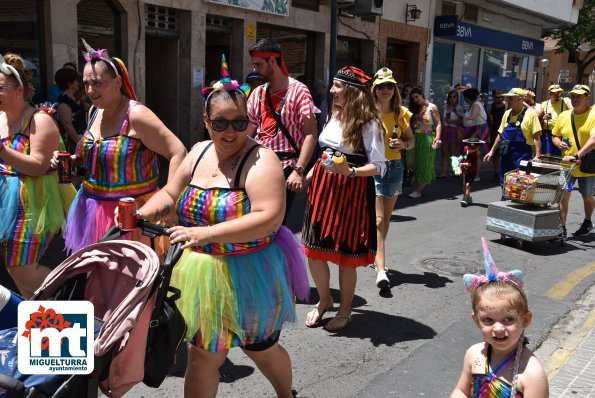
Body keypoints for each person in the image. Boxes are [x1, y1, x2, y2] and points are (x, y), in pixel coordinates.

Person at [133, 79, 309, 398]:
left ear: (249, 121)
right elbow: (172, 192)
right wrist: (143, 213)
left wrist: (206, 232)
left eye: (239, 123)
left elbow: (268, 217)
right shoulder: (198, 152)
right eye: (220, 123)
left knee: (261, 350)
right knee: (202, 356)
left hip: (251, 271)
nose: (230, 132)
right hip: (202, 274)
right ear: (206, 121)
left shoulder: (262, 160)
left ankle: (286, 395)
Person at [56, 39, 186, 254]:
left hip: (131, 217)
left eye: (97, 82)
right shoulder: (94, 111)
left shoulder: (136, 115)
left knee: (128, 283)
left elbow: (178, 151)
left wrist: (170, 201)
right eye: (86, 83)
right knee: (95, 280)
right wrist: (75, 161)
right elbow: (100, 157)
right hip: (90, 211)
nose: (90, 90)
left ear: (117, 81)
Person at [302, 66, 386, 332]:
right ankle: (324, 301)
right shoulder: (333, 115)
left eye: (338, 86)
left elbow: (379, 166)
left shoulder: (369, 123)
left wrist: (348, 171)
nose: (332, 90)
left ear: (352, 92)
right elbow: (326, 152)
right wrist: (309, 175)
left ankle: (346, 310)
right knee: (314, 250)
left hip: (351, 192)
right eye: (334, 85)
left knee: (345, 255)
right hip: (323, 190)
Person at [0, 53, 72, 298]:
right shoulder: (0, 119)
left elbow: (38, 166)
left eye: (0, 88)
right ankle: (42, 320)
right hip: (5, 200)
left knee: (20, 267)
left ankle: (71, 296)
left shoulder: (38, 120)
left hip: (35, 200)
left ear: (19, 90)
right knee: (14, 271)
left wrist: (1, 149)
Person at [450, 238, 548, 398]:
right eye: (488, 320)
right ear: (476, 320)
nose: (498, 328)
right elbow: (461, 390)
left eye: (508, 319)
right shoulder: (475, 355)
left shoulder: (531, 373)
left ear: (525, 320)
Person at [247, 38, 319, 223]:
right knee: (251, 221)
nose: (255, 69)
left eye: (258, 64)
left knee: (272, 224)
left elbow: (311, 133)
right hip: (258, 165)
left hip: (286, 168)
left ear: (273, 61)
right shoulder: (257, 93)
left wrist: (299, 170)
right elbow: (248, 131)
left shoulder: (299, 91)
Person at [371, 67, 414, 290]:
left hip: (395, 167)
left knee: (386, 218)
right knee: (378, 220)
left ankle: (377, 256)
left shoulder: (401, 113)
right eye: (381, 86)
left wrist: (403, 145)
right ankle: (381, 269)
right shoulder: (367, 112)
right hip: (375, 168)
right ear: (375, 90)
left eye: (390, 86)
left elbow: (412, 141)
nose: (386, 90)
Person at [552, 85, 595, 238]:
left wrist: (577, 155)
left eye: (579, 96)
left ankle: (588, 221)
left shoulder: (593, 114)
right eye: (573, 96)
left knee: (587, 195)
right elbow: (555, 135)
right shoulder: (564, 116)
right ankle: (561, 227)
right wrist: (558, 143)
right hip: (568, 165)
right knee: (564, 194)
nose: (575, 99)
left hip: (587, 165)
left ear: (587, 97)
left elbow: (594, 139)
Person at [483, 88, 542, 187]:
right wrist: (492, 151)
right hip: (506, 153)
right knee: (505, 182)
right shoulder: (507, 113)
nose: (507, 101)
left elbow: (536, 137)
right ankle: (505, 201)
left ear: (520, 100)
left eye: (511, 98)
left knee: (519, 183)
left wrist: (537, 155)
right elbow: (500, 134)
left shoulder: (531, 114)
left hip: (522, 154)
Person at [407, 86, 442, 198]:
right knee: (412, 163)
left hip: (427, 139)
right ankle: (415, 184)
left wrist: (437, 138)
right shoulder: (414, 109)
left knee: (425, 164)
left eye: (417, 97)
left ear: (422, 94)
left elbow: (438, 124)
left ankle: (418, 191)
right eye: (413, 98)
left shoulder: (432, 107)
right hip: (415, 138)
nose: (415, 100)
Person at [55, 67, 87, 154]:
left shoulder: (74, 98)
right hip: (73, 142)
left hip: (81, 137)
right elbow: (67, 125)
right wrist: (79, 143)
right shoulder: (64, 101)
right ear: (69, 83)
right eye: (76, 80)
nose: (78, 82)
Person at [538, 84, 573, 156]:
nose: (557, 95)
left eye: (559, 93)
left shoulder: (565, 101)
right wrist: (543, 118)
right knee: (546, 155)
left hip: (561, 135)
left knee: (559, 156)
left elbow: (573, 110)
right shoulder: (544, 104)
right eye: (555, 93)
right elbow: (538, 121)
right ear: (549, 94)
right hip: (547, 134)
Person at [462, 88, 488, 181]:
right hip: (471, 130)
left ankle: (476, 175)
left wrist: (463, 115)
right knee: (469, 152)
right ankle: (469, 172)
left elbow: (473, 116)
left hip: (476, 130)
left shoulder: (476, 105)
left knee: (475, 153)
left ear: (467, 97)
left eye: (464, 97)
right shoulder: (471, 105)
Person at [441, 88, 464, 178]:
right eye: (450, 96)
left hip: (454, 131)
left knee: (454, 152)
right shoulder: (444, 107)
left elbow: (463, 122)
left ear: (457, 98)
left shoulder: (459, 108)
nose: (452, 98)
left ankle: (457, 171)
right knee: (444, 153)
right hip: (445, 130)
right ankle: (443, 172)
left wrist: (452, 122)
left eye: (454, 97)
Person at [458, 138, 484, 207]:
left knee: (467, 185)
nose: (472, 148)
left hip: (472, 171)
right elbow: (462, 156)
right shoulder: (465, 148)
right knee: (463, 186)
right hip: (464, 170)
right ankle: (469, 198)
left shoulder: (475, 154)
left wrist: (461, 164)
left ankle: (464, 198)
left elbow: (470, 164)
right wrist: (460, 163)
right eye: (471, 146)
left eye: (474, 146)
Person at [488, 90, 506, 181]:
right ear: (494, 98)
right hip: (494, 132)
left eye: (501, 97)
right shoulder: (491, 106)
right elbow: (490, 120)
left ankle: (500, 172)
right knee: (494, 153)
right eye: (497, 97)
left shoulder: (506, 106)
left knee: (501, 153)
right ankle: (496, 172)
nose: (499, 99)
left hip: (504, 131)